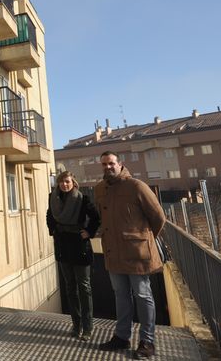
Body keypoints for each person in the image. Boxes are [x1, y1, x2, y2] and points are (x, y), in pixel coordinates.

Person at [95, 151, 166, 359]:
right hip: (113, 253)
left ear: (120, 164)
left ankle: (147, 341)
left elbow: (158, 217)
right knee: (121, 296)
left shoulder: (136, 186)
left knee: (143, 296)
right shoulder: (100, 189)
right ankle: (122, 336)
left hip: (137, 254)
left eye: (111, 163)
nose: (107, 167)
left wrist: (143, 239)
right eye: (104, 164)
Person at [46, 171, 100, 341]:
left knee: (84, 287)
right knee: (70, 287)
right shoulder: (53, 197)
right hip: (63, 244)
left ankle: (88, 328)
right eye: (62, 182)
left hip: (79, 245)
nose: (65, 185)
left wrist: (89, 232)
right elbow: (49, 215)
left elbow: (96, 218)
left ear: (73, 182)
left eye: (67, 181)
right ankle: (76, 326)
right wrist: (53, 230)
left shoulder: (82, 199)